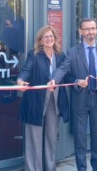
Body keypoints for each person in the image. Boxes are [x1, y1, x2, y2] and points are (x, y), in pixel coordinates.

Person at [49, 18, 97, 171]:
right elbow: (64, 72)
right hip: (80, 99)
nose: (90, 32)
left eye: (93, 28)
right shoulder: (72, 52)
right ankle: (81, 168)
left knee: (96, 137)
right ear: (80, 32)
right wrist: (56, 80)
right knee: (79, 138)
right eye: (86, 29)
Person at [17, 25, 71, 171]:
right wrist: (20, 81)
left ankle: (49, 167)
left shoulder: (60, 55)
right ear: (40, 41)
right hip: (36, 102)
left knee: (51, 137)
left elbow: (67, 75)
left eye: (51, 36)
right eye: (46, 37)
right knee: (34, 138)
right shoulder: (33, 55)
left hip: (55, 101)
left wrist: (78, 81)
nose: (49, 39)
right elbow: (26, 71)